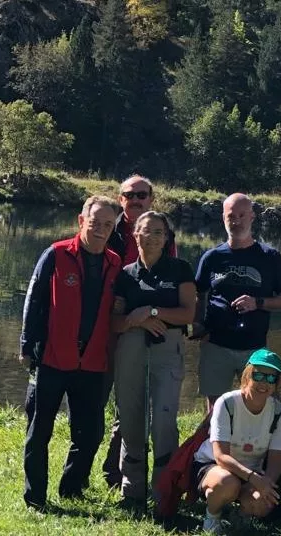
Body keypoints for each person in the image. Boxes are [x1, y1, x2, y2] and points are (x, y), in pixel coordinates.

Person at [20, 196, 122, 509]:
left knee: (90, 434)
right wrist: (26, 344)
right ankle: (35, 497)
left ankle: (71, 488)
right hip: (52, 357)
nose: (101, 229)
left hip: (91, 362)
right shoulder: (56, 253)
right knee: (39, 432)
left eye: (108, 224)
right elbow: (34, 299)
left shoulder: (115, 263)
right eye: (96, 223)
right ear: (81, 221)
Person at [110, 211, 196, 508]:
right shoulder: (125, 274)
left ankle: (164, 491)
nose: (155, 237)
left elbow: (189, 314)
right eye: (148, 231)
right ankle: (131, 491)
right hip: (131, 347)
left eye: (161, 232)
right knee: (131, 415)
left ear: (167, 237)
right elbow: (115, 322)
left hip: (167, 348)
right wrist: (138, 320)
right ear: (136, 235)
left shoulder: (180, 269)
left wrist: (153, 312)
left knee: (163, 417)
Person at [103, 174, 178, 489]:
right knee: (111, 399)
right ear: (121, 199)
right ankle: (113, 469)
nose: (135, 200)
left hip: (145, 328)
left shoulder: (164, 233)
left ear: (151, 198)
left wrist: (152, 315)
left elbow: (172, 285)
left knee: (133, 403)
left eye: (142, 195)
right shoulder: (107, 227)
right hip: (107, 323)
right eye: (129, 194)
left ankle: (117, 471)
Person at [194, 193, 281, 412]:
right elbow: (198, 295)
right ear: (223, 218)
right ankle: (214, 445)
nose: (236, 221)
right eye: (231, 216)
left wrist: (258, 303)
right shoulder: (212, 257)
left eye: (242, 215)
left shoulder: (269, 257)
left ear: (252, 217)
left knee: (260, 407)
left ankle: (258, 445)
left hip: (254, 348)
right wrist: (199, 327)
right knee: (215, 410)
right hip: (216, 346)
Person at [193, 349, 281, 534]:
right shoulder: (227, 403)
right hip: (214, 465)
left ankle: (240, 515)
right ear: (247, 376)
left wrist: (266, 484)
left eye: (271, 378)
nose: (263, 383)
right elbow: (221, 456)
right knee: (228, 483)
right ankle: (212, 516)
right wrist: (254, 479)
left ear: (276, 384)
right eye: (258, 375)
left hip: (253, 472)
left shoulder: (279, 412)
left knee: (262, 505)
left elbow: (277, 459)